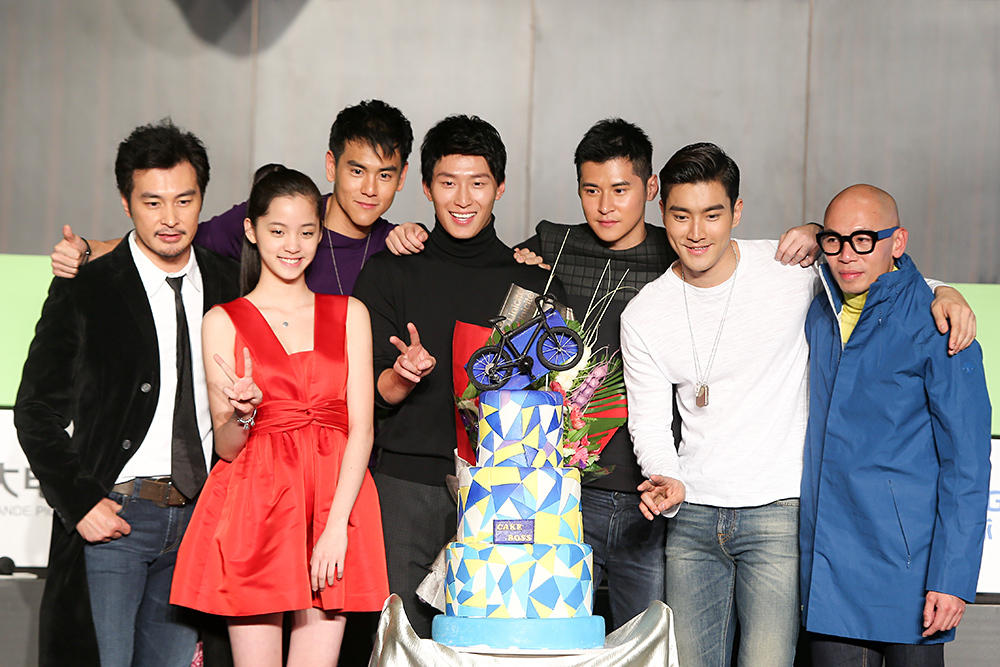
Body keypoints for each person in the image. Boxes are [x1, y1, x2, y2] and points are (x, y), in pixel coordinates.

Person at [385, 119, 823, 631]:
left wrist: (816, 234)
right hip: (565, 491)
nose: (606, 206)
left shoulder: (681, 248)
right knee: (553, 634)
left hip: (650, 494)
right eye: (591, 190)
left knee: (645, 642)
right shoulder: (552, 245)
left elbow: (731, 252)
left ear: (651, 190)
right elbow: (480, 257)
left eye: (621, 189)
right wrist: (408, 232)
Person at [619, 143, 976, 667]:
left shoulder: (787, 270)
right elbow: (649, 423)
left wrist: (945, 292)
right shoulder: (644, 314)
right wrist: (664, 476)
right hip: (692, 516)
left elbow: (875, 275)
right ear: (662, 212)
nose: (696, 232)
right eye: (681, 215)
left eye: (712, 214)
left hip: (779, 515)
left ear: (737, 212)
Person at [14, 120, 240, 667]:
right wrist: (80, 504)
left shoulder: (232, 283)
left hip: (199, 522)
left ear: (202, 199)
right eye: (152, 202)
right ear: (126, 202)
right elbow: (36, 411)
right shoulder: (88, 288)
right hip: (114, 518)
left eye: (184, 200)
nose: (170, 218)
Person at [352, 114, 563, 638]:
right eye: (448, 183)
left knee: (490, 644)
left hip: (504, 490)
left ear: (501, 187)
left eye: (478, 183)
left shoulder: (530, 281)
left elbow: (554, 395)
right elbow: (368, 393)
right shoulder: (388, 272)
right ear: (426, 188)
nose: (463, 198)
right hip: (405, 489)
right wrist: (402, 375)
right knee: (403, 644)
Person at [169, 167, 388, 666]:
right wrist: (244, 414)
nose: (293, 245)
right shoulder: (222, 321)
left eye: (307, 232)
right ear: (251, 230)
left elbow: (362, 430)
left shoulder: (350, 313)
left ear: (320, 233)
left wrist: (336, 527)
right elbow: (226, 447)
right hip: (256, 506)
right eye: (278, 230)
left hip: (334, 503)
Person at [799, 184, 991, 667]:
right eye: (834, 240)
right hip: (829, 571)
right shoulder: (817, 309)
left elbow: (968, 464)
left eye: (864, 240)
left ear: (897, 242)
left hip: (909, 572)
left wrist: (952, 579)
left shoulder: (941, 324)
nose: (847, 255)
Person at [50, 99, 413, 296]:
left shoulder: (399, 246)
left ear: (402, 178)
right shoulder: (276, 214)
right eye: (357, 171)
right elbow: (177, 237)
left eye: (385, 175)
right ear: (331, 166)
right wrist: (91, 249)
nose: (370, 189)